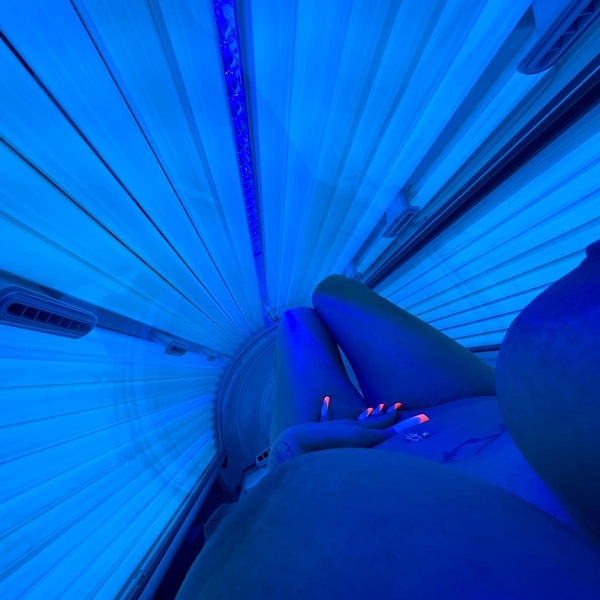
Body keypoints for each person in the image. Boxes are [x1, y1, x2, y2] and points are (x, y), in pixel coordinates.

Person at [177, 263, 600, 599]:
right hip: (475, 410)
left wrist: (290, 465)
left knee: (299, 322)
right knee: (329, 295)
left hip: (333, 448)